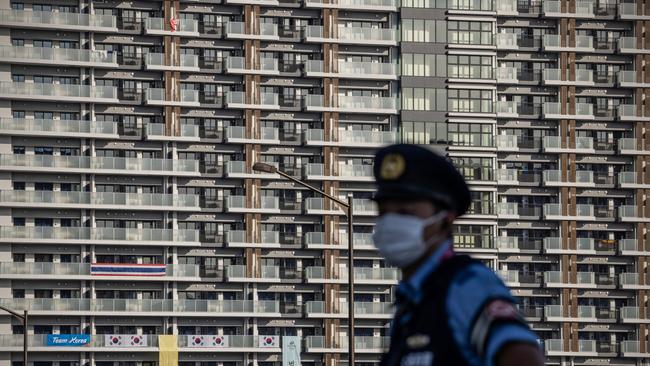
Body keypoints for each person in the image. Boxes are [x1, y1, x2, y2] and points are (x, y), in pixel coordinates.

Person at [372, 144, 545, 366]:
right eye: (384, 213)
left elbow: (524, 358)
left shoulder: (466, 285)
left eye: (406, 212)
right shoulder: (411, 304)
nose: (390, 223)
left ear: (446, 219)